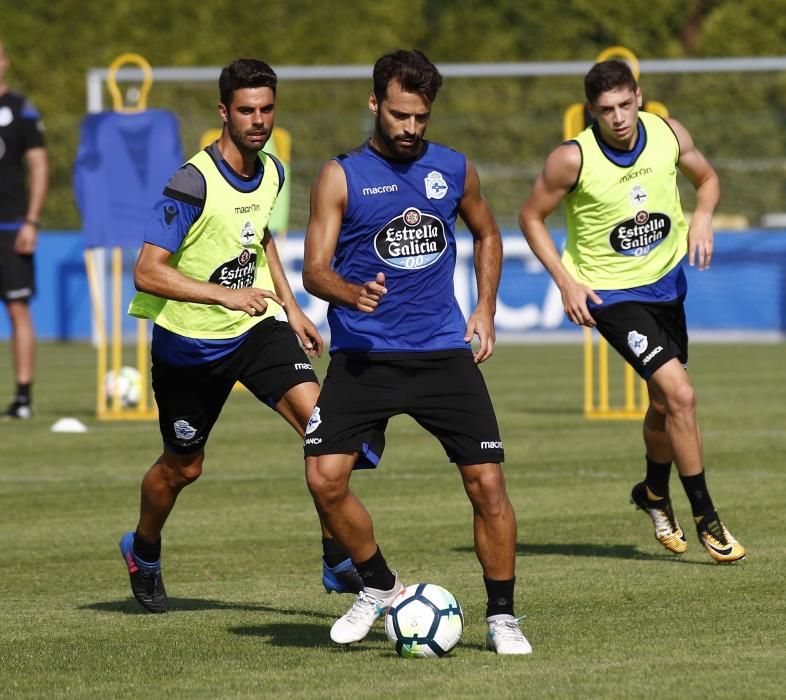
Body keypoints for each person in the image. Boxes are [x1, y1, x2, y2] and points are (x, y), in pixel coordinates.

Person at [302, 49, 532, 654]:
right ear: (375, 103)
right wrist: (351, 293)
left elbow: (487, 232)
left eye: (421, 118)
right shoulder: (340, 175)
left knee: (487, 485)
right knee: (325, 480)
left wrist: (484, 308)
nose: (410, 128)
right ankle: (378, 585)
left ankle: (502, 617)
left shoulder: (454, 169)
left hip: (440, 354)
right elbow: (313, 270)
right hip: (364, 357)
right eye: (400, 115)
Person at [119, 58, 362, 614]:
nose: (258, 120)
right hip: (190, 345)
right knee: (184, 466)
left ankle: (336, 558)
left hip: (258, 328)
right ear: (224, 112)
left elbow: (262, 236)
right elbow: (147, 271)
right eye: (246, 111)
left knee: (326, 432)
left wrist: (291, 306)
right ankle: (144, 549)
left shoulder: (272, 170)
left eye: (266, 109)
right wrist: (224, 294)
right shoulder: (191, 182)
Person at [518, 59, 746, 563]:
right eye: (606, 110)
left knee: (664, 404)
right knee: (682, 395)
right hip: (610, 296)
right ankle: (707, 517)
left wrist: (703, 217)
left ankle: (652, 492)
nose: (618, 117)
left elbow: (706, 179)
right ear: (591, 112)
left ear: (638, 97)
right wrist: (566, 281)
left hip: (668, 286)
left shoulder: (667, 133)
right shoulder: (571, 159)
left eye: (625, 104)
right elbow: (531, 216)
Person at [0, 39, 48, 420]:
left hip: (11, 226)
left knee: (17, 308)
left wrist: (31, 221)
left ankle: (23, 397)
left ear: (5, 62)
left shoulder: (21, 110)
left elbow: (39, 166)